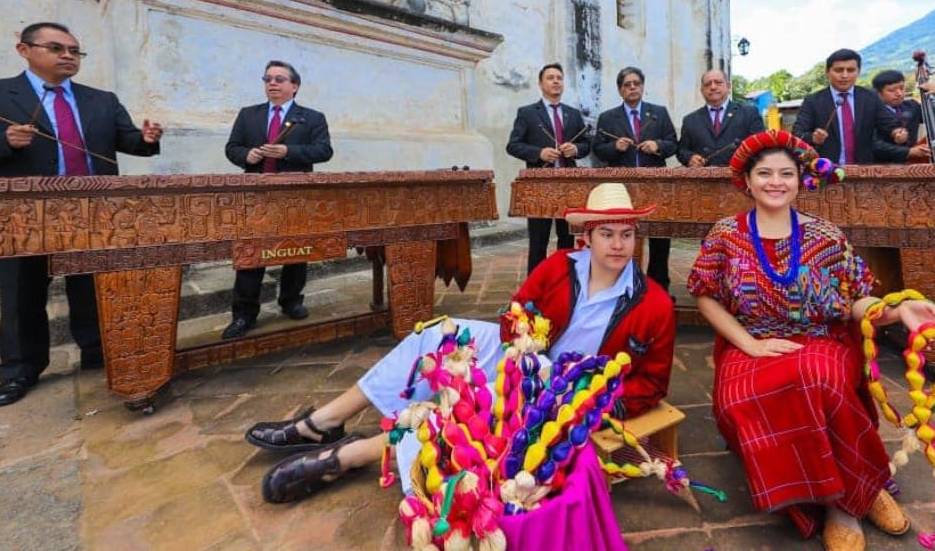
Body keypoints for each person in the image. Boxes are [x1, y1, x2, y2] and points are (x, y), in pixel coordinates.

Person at [244, 183, 676, 504]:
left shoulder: (653, 302)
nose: (618, 244)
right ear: (588, 237)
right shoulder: (561, 265)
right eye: (608, 234)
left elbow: (653, 384)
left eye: (627, 234)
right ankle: (326, 420)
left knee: (478, 412)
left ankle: (353, 454)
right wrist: (520, 338)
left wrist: (595, 400)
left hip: (564, 386)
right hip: (523, 355)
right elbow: (517, 308)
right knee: (439, 334)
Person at [688, 130, 935, 551]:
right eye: (764, 173)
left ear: (800, 180)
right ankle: (849, 488)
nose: (775, 182)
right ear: (747, 181)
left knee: (817, 378)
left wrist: (897, 311)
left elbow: (858, 298)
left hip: (819, 338)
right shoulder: (725, 235)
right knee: (737, 399)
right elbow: (704, 294)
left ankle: (845, 503)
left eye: (786, 173)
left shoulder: (825, 235)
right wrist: (748, 344)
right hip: (753, 342)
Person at [0, 22, 163, 407]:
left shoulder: (101, 99)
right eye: (56, 48)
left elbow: (128, 142)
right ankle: (20, 370)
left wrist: (147, 139)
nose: (68, 56)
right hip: (22, 214)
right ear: (25, 50)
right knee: (22, 293)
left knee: (93, 287)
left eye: (74, 50)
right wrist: (0, 141)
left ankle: (96, 351)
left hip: (93, 211)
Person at [221, 60, 334, 340]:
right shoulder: (249, 115)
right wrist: (246, 156)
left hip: (294, 196)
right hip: (255, 195)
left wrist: (287, 152)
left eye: (280, 79)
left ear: (294, 86)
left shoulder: (312, 117)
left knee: (295, 250)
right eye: (268, 78)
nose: (272, 83)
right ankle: (244, 314)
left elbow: (323, 151)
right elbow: (232, 148)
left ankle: (292, 301)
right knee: (251, 254)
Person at [592, 66, 678, 290]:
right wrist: (615, 146)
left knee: (659, 238)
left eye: (636, 84)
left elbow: (673, 144)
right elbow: (598, 149)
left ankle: (659, 288)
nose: (632, 88)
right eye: (627, 85)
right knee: (622, 237)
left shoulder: (659, 113)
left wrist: (657, 145)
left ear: (642, 86)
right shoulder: (608, 117)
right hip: (622, 188)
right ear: (620, 90)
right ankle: (622, 287)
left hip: (656, 185)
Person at [506, 62, 591, 274]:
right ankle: (535, 290)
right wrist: (538, 153)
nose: (555, 81)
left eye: (559, 78)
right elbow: (513, 145)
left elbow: (587, 144)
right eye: (550, 78)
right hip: (539, 185)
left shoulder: (573, 114)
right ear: (540, 83)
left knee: (566, 237)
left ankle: (564, 282)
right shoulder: (527, 113)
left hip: (568, 184)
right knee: (538, 240)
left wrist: (576, 149)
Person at [792, 49, 900, 165]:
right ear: (827, 72)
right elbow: (797, 134)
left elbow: (890, 124)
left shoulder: (870, 97)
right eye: (839, 70)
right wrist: (813, 138)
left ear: (858, 72)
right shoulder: (813, 101)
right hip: (826, 172)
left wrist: (897, 132)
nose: (845, 75)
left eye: (850, 70)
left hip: (863, 170)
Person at [677, 68, 766, 168]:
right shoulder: (690, 120)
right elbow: (681, 150)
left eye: (718, 82)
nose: (713, 87)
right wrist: (690, 158)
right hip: (703, 180)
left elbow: (760, 145)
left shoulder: (749, 113)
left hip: (740, 178)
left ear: (728, 87)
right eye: (707, 84)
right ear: (702, 91)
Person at [868, 69, 935, 163]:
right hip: (880, 167)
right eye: (892, 90)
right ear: (878, 93)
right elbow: (873, 144)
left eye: (902, 88)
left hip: (911, 165)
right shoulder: (868, 112)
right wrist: (908, 152)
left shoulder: (911, 106)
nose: (899, 93)